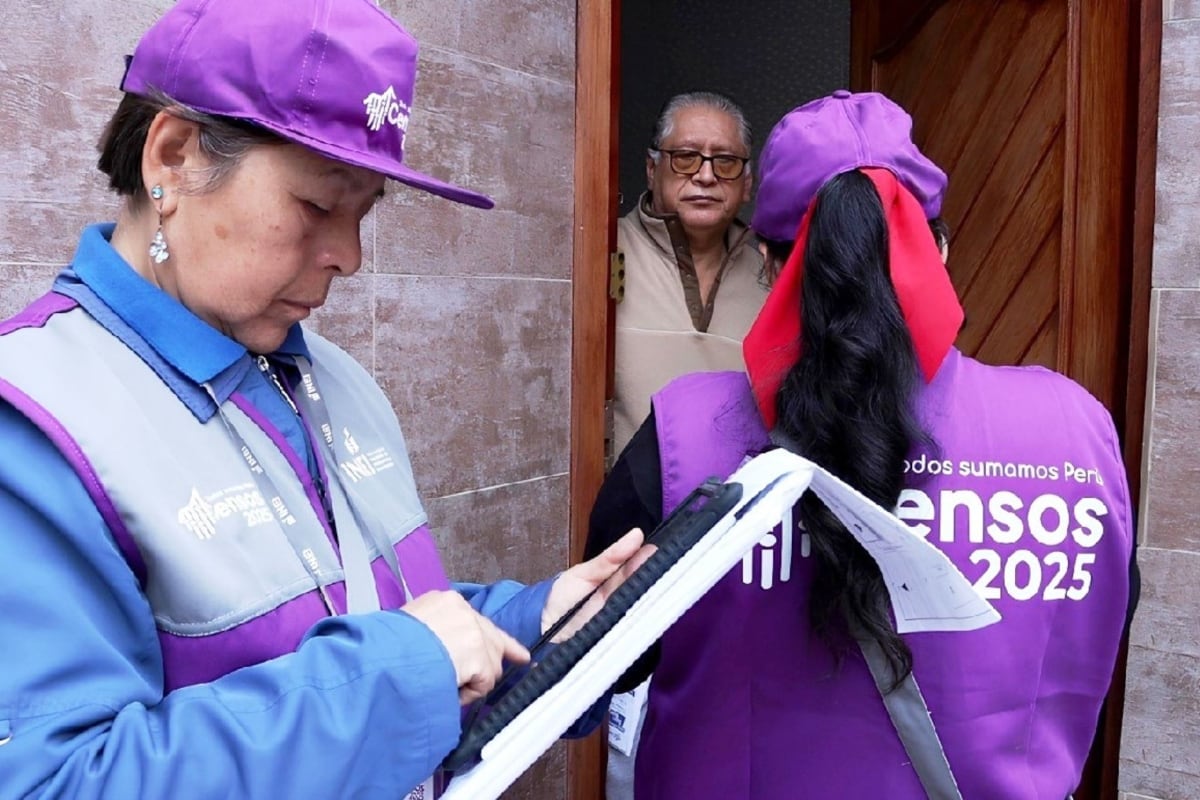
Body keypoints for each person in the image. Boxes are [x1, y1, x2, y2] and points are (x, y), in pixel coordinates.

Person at [0, 1, 652, 798]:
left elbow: (383, 625)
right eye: (316, 206)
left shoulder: (336, 382)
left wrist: (540, 627)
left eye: (364, 211)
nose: (348, 255)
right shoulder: (35, 424)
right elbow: (54, 780)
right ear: (172, 156)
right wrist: (400, 676)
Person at [587, 90, 1135, 799]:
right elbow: (1101, 620)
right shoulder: (1074, 428)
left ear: (769, 259)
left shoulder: (685, 433)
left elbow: (601, 662)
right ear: (939, 249)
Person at [612, 91, 768, 455]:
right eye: (685, 157)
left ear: (747, 184)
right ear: (652, 170)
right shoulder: (601, 255)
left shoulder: (772, 281)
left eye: (725, 161)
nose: (706, 175)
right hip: (620, 493)